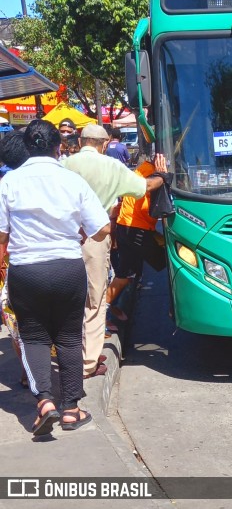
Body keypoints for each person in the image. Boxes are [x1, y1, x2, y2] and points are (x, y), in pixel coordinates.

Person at [0, 119, 110, 435]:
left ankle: (45, 402)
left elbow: (1, 236)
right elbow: (103, 228)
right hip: (67, 268)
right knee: (69, 338)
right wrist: (76, 231)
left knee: (33, 336)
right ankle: (72, 409)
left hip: (26, 269)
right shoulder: (72, 181)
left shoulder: (9, 182)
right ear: (58, 146)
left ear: (26, 147)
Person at [64, 123, 168, 379]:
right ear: (104, 144)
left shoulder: (64, 165)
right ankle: (88, 360)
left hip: (63, 237)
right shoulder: (111, 166)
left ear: (80, 141)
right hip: (95, 237)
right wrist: (163, 177)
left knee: (68, 297)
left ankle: (66, 351)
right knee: (95, 298)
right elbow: (143, 187)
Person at [106, 154, 166, 320]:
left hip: (127, 227)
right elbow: (146, 207)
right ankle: (102, 314)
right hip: (137, 229)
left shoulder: (142, 171)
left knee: (126, 275)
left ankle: (108, 311)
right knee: (168, 259)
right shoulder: (151, 175)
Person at [0, 132, 31, 387]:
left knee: (15, 320)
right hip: (57, 262)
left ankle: (27, 371)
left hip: (13, 263)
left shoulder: (7, 181)